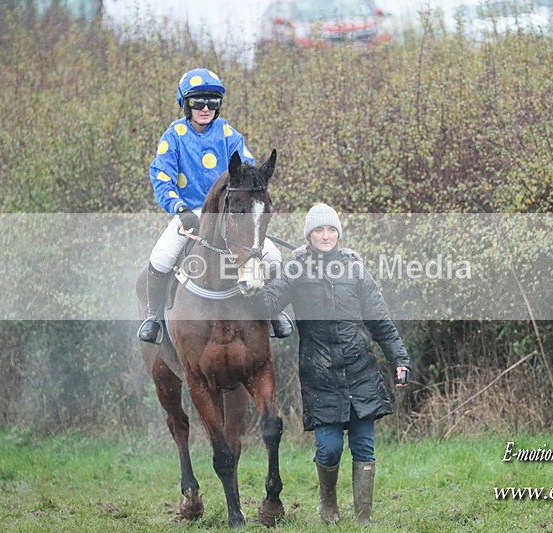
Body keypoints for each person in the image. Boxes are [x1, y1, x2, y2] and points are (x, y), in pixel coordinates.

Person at [245, 203, 411, 525]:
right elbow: (266, 304)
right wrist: (251, 285)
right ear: (309, 235)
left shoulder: (354, 268)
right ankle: (328, 504)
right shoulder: (296, 269)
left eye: (331, 229)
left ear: (338, 232)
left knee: (364, 448)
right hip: (320, 373)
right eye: (319, 230)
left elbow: (380, 321)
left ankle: (364, 518)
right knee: (329, 449)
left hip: (360, 369)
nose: (325, 235)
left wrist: (399, 359)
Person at [137, 67, 292, 344]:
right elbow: (161, 178)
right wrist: (180, 209)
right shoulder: (173, 135)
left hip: (231, 211)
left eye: (212, 102)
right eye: (198, 102)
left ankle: (272, 310)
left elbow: (247, 172)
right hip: (190, 211)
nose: (205, 108)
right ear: (186, 104)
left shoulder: (229, 134)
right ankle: (152, 318)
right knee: (161, 257)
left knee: (272, 257)